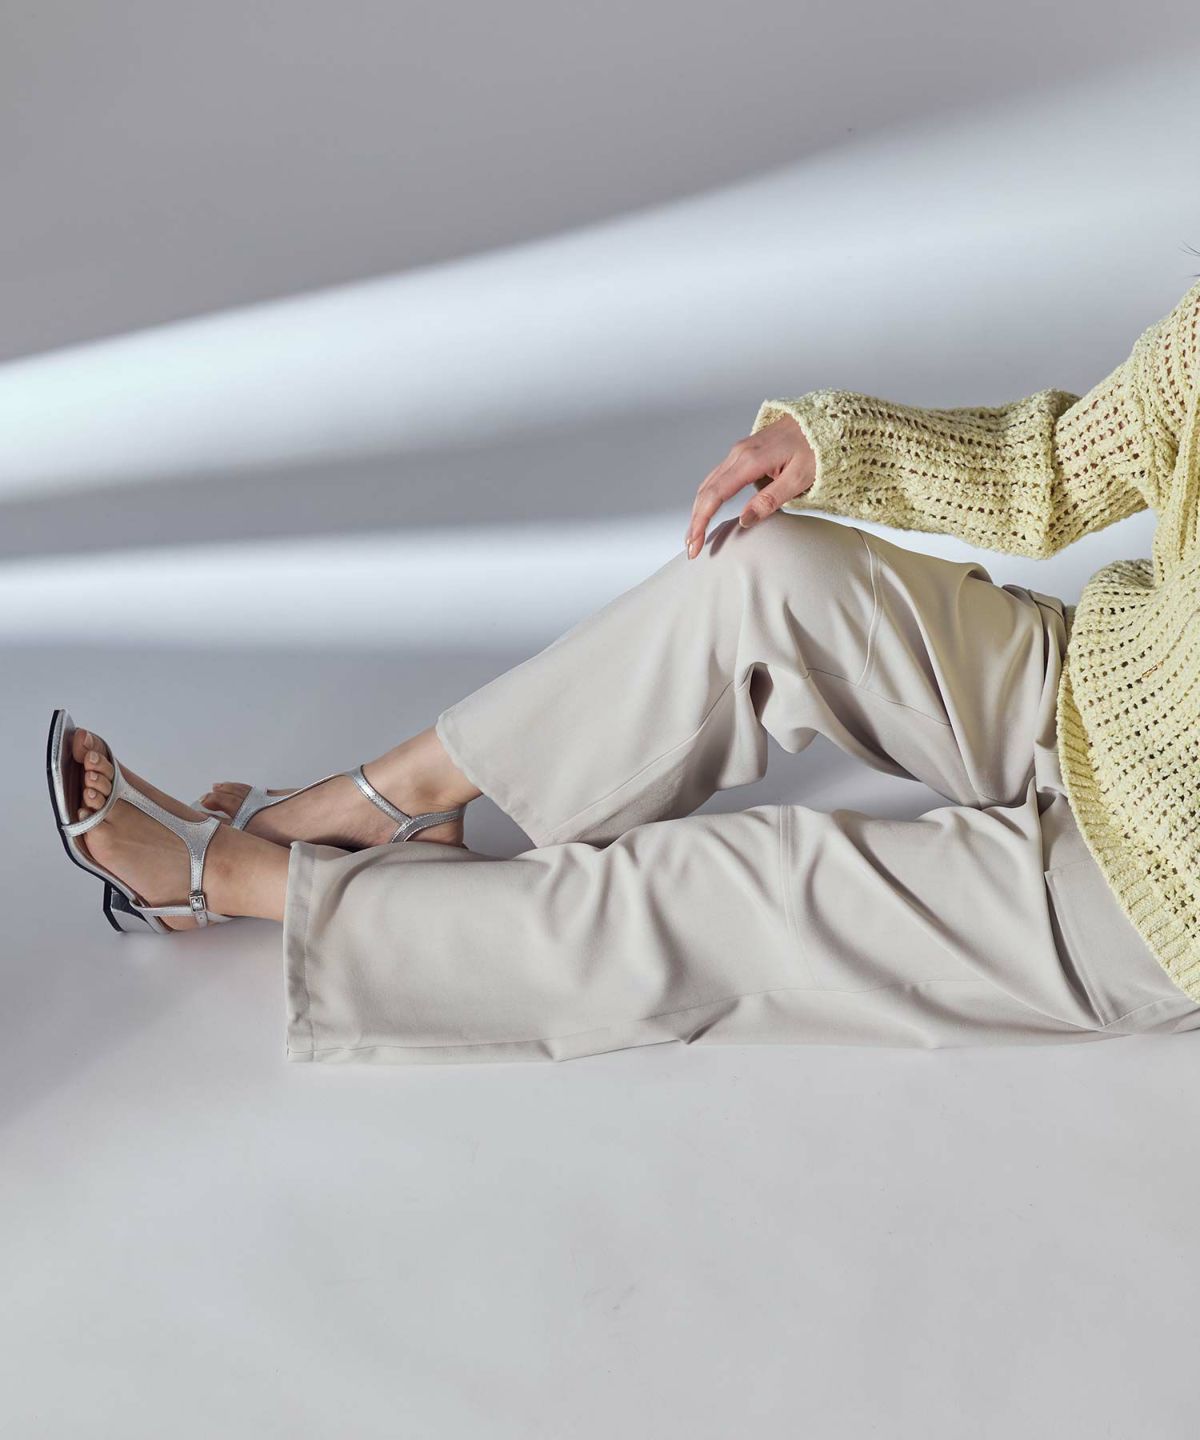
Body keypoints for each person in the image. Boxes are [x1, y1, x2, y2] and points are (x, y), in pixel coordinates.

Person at [46, 274, 1200, 1065]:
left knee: (747, 894)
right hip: (1106, 685)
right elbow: (1067, 464)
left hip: (1159, 893)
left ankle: (247, 881)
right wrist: (837, 445)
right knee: (765, 572)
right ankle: (393, 799)